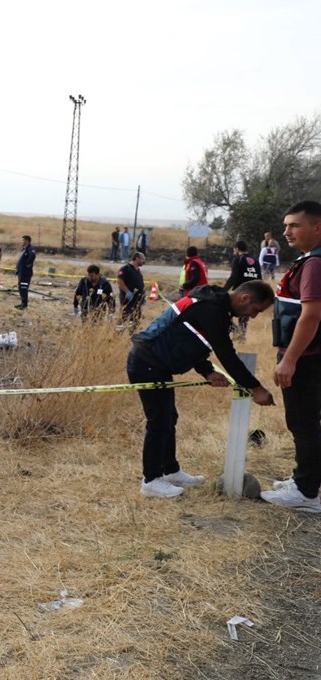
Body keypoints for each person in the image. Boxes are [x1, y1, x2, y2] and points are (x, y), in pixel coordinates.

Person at [127, 280, 276, 498]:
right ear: (245, 298)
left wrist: (207, 371)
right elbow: (226, 355)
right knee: (159, 422)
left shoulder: (214, 305)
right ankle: (151, 481)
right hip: (147, 364)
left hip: (156, 364)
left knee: (169, 418)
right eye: (256, 310)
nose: (253, 316)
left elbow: (193, 339)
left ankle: (170, 470)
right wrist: (256, 387)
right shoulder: (212, 309)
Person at [261, 201, 321, 512]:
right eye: (285, 226)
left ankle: (307, 493)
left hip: (307, 359)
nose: (286, 232)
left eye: (294, 225)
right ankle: (303, 479)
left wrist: (290, 360)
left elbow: (310, 316)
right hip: (308, 356)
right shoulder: (310, 259)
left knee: (303, 422)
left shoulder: (314, 265)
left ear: (317, 227)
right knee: (304, 421)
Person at [223, 241, 261, 337]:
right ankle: (241, 337)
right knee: (244, 319)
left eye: (234, 249)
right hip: (252, 293)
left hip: (239, 293)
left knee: (225, 312)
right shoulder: (255, 260)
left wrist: (223, 290)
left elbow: (233, 277)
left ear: (237, 249)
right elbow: (260, 278)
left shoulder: (237, 259)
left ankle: (234, 330)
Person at [117, 252, 146, 331]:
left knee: (135, 317)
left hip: (137, 300)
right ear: (137, 258)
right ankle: (118, 333)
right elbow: (120, 281)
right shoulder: (126, 269)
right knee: (124, 315)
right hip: (128, 298)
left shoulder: (138, 271)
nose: (144, 261)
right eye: (142, 259)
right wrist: (127, 292)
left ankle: (132, 332)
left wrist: (143, 296)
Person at [15, 234, 36, 310]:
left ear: (27, 241)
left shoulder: (30, 248)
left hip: (26, 273)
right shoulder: (24, 249)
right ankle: (22, 303)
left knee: (23, 288)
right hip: (21, 272)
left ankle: (24, 305)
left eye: (23, 240)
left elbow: (32, 256)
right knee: (20, 288)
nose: (22, 242)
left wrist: (28, 263)